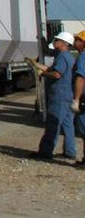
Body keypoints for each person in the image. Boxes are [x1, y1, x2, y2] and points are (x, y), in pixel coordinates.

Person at [34, 31, 77, 160]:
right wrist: (41, 39)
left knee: (53, 123)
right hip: (67, 94)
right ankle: (70, 152)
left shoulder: (62, 57)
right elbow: (47, 51)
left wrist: (42, 74)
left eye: (57, 40)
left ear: (64, 43)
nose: (55, 41)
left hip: (59, 95)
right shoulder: (66, 55)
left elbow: (57, 74)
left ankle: (45, 152)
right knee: (67, 125)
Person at [72, 31, 85, 164]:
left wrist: (76, 99)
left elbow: (81, 79)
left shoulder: (82, 57)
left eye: (78, 40)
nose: (75, 42)